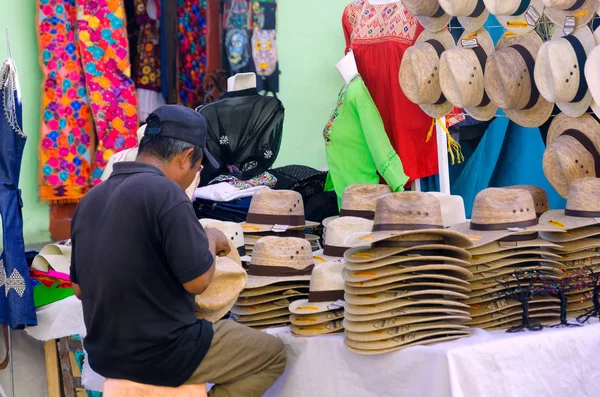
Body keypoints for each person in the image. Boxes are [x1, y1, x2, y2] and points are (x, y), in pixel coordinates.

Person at [70, 105, 287, 395]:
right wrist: (209, 239)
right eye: (198, 168)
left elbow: (79, 289)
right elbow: (197, 281)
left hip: (105, 354)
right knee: (271, 354)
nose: (194, 176)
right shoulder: (168, 193)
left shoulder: (91, 199)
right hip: (163, 352)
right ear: (185, 157)